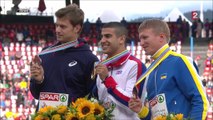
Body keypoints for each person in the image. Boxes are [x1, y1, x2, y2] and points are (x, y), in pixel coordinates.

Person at [128, 19, 209, 120]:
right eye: (140, 39)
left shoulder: (179, 61)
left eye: (145, 37)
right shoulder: (150, 71)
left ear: (161, 37)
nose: (141, 43)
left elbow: (200, 100)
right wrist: (141, 110)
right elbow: (155, 116)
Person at [30, 4, 98, 109]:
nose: (57, 30)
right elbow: (35, 94)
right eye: (56, 25)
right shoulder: (45, 54)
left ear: (77, 28)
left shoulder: (90, 60)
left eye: (62, 26)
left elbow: (93, 98)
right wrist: (38, 81)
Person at [92, 22, 147, 120]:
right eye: (102, 36)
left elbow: (132, 105)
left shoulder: (135, 65)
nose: (102, 40)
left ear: (121, 39)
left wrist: (107, 79)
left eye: (108, 36)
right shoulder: (103, 65)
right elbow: (99, 100)